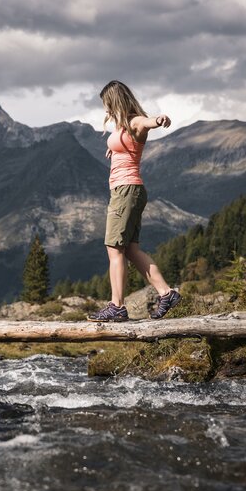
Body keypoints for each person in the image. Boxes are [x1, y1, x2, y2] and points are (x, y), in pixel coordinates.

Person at [87, 80, 181, 322]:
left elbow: (149, 123)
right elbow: (125, 147)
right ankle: (166, 293)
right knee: (130, 249)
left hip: (126, 191)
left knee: (114, 249)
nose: (106, 110)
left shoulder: (135, 120)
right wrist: (114, 150)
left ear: (115, 101)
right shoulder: (122, 127)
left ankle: (117, 306)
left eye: (107, 104)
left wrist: (160, 119)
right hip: (129, 191)